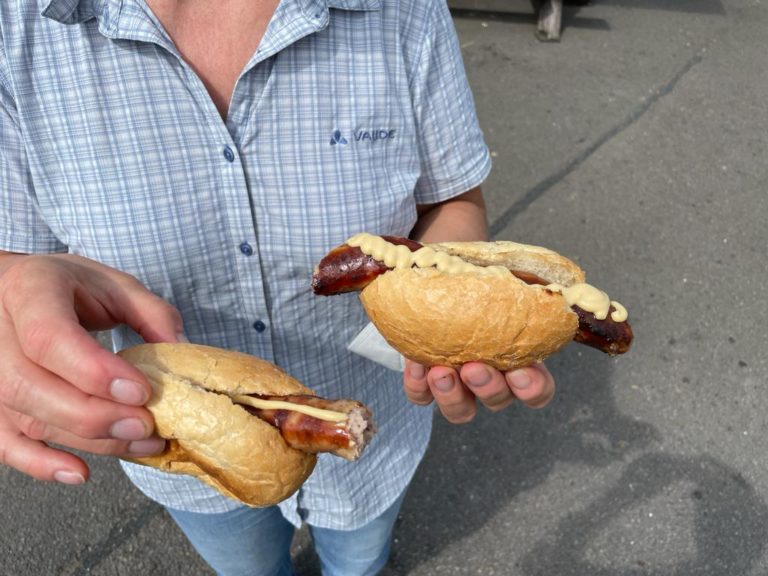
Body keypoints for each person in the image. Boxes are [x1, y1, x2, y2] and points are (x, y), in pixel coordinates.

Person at [0, 0, 555, 574]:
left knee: (360, 562)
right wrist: (11, 295)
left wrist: (459, 323)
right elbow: (12, 253)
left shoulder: (402, 8)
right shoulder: (17, 24)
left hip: (377, 433)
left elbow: (449, 198)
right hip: (184, 453)